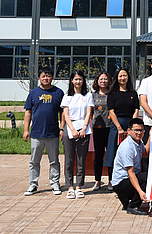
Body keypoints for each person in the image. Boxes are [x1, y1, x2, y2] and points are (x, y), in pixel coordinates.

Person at [22, 66, 64, 196]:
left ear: (52, 77)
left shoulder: (58, 93)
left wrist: (62, 129)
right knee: (34, 161)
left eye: (48, 76)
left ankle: (55, 184)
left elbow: (63, 113)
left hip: (53, 133)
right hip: (36, 133)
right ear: (39, 77)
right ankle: (33, 185)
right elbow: (28, 112)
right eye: (43, 76)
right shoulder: (33, 93)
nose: (46, 78)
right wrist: (26, 130)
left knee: (54, 161)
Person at [61, 70, 94, 199]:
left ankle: (79, 186)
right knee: (69, 159)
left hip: (84, 129)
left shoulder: (88, 95)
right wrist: (72, 129)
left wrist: (84, 128)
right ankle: (70, 186)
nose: (78, 81)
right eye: (75, 79)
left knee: (81, 159)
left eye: (80, 79)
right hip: (70, 128)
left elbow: (88, 113)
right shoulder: (67, 96)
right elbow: (66, 115)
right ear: (71, 81)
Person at [106, 68, 139, 192]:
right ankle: (113, 180)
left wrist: (132, 126)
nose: (122, 78)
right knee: (114, 152)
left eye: (124, 75)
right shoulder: (112, 93)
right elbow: (111, 111)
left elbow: (136, 109)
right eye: (120, 76)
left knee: (130, 152)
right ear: (116, 78)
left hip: (130, 124)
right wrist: (119, 128)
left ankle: (131, 180)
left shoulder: (133, 93)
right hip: (117, 125)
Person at [111, 117, 150, 216]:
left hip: (128, 179)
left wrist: (151, 137)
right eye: (136, 130)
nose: (139, 133)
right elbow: (131, 173)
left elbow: (145, 154)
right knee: (148, 177)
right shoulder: (127, 147)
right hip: (121, 183)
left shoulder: (138, 142)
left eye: (141, 130)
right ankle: (133, 205)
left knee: (146, 176)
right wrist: (140, 192)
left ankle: (126, 200)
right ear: (129, 131)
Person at [90, 70, 112, 192]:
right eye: (101, 79)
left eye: (105, 79)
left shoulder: (112, 94)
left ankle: (111, 180)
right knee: (98, 155)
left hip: (110, 128)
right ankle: (97, 180)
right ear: (97, 81)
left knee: (111, 154)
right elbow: (90, 112)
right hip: (97, 128)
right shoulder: (92, 95)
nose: (103, 81)